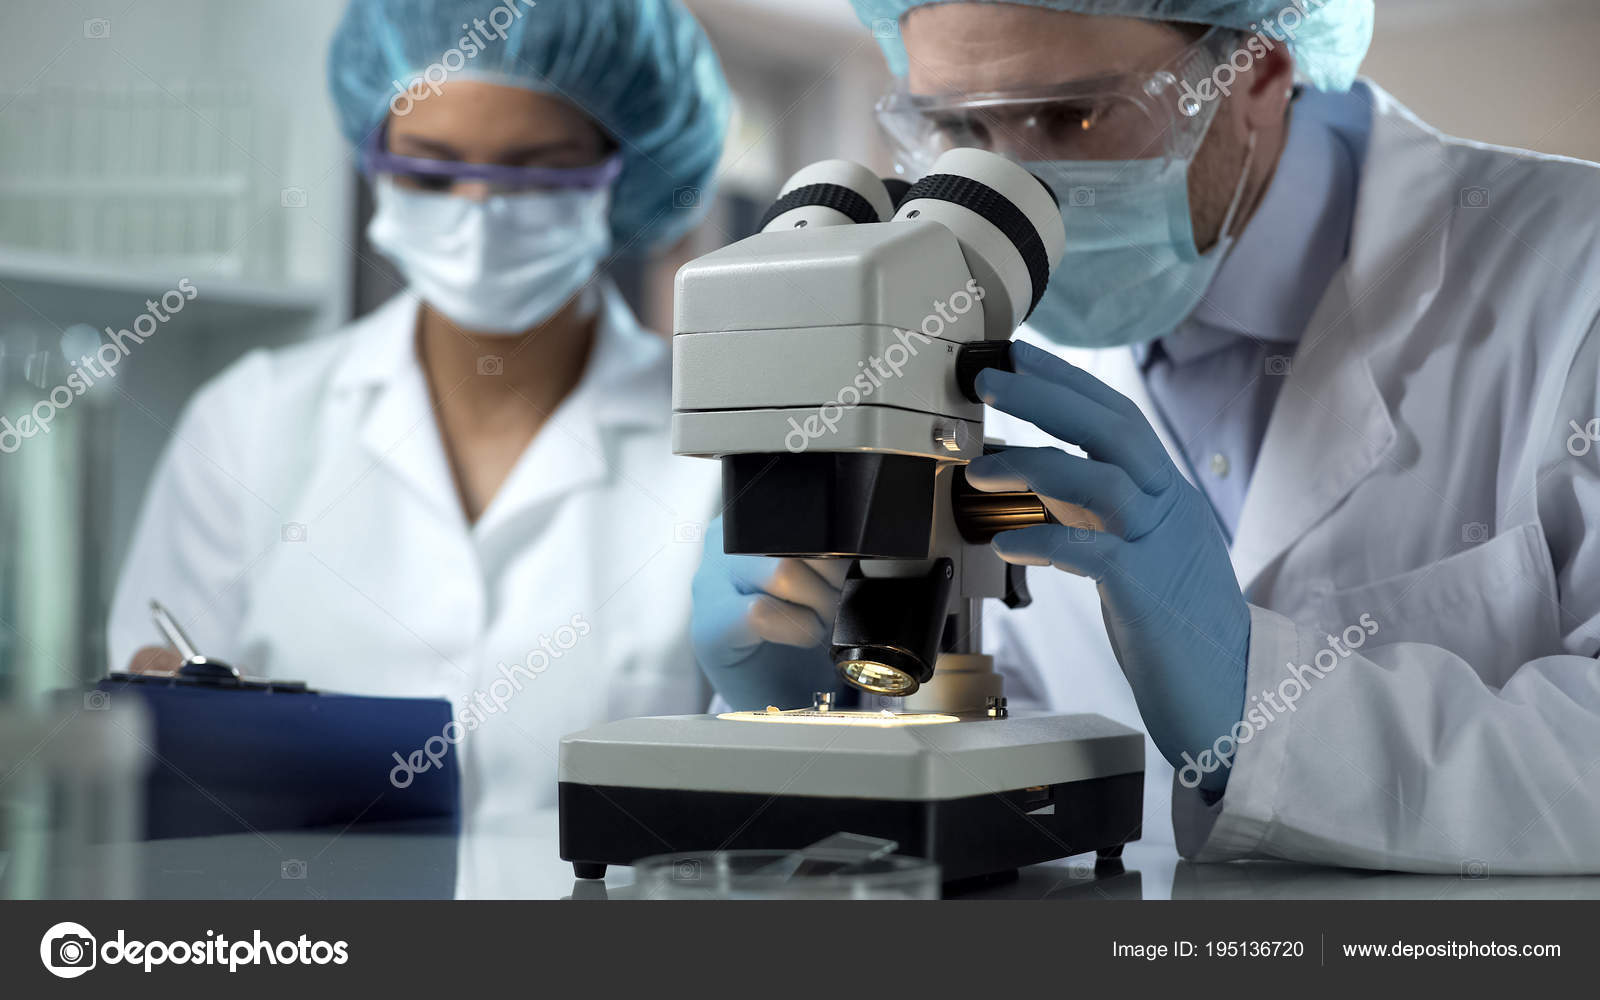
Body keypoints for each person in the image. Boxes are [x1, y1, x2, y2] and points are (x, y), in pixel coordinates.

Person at [691, 0, 1600, 873]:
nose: (1012, 180)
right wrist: (814, 686)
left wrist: (1256, 707)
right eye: (960, 130)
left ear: (1261, 71)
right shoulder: (958, 310)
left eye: (1072, 116)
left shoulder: (1573, 277)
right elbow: (990, 758)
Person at [107, 0, 730, 822]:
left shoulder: (724, 443)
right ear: (375, 156)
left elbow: (755, 800)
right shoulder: (250, 421)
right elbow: (163, 748)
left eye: (536, 171)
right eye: (432, 172)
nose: (478, 211)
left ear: (631, 168)